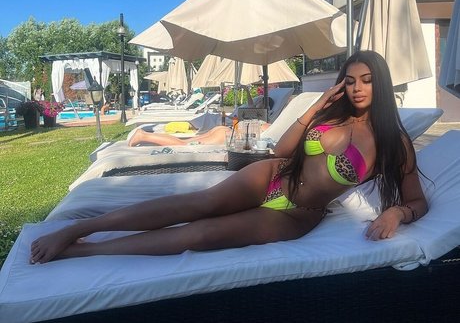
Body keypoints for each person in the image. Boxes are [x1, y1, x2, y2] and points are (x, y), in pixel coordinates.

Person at [30, 50, 428, 264]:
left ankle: (85, 250)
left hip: (297, 215)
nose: (357, 88)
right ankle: (79, 229)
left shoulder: (393, 143)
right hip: (273, 175)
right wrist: (316, 106)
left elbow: (417, 201)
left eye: (367, 81)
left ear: (380, 84)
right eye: (351, 80)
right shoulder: (329, 114)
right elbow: (282, 151)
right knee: (195, 204)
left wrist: (396, 213)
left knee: (202, 235)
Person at [127, 86, 273, 147]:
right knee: (183, 146)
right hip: (228, 135)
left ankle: (144, 135)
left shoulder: (259, 119)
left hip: (224, 131)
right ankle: (143, 136)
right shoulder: (268, 125)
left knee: (184, 142)